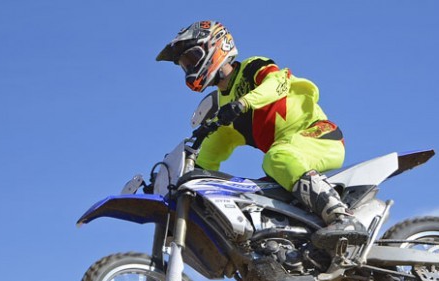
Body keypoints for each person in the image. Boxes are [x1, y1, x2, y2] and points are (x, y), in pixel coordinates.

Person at [156, 20, 367, 249]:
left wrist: (243, 103)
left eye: (192, 58)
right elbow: (205, 162)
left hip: (319, 135)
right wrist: (171, 185)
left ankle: (342, 218)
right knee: (251, 196)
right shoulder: (225, 113)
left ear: (217, 46)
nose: (190, 68)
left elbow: (277, 84)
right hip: (287, 156)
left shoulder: (252, 67)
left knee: (277, 158)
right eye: (185, 64)